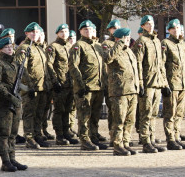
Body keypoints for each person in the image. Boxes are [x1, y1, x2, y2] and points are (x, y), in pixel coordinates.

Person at [0, 37, 28, 172]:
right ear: (0, 49)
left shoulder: (15, 64)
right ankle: (5, 161)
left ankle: (12, 158)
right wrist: (10, 97)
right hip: (3, 103)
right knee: (4, 134)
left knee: (13, 133)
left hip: (15, 102)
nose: (10, 49)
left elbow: (21, 82)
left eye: (11, 47)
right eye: (7, 47)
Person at [69, 21, 108, 151]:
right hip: (86, 87)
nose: (88, 31)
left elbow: (103, 67)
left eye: (90, 29)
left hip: (98, 86)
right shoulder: (78, 46)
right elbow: (73, 66)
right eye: (85, 29)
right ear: (80, 31)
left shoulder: (98, 46)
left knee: (95, 115)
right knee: (84, 115)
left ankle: (94, 136)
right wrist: (80, 85)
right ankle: (85, 140)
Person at [133, 15, 169, 153]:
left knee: (154, 113)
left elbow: (161, 65)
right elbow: (138, 63)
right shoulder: (141, 41)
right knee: (145, 113)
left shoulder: (156, 41)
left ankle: (152, 139)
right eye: (147, 24)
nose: (150, 26)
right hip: (147, 82)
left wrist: (164, 82)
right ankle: (145, 141)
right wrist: (140, 83)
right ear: (142, 26)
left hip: (157, 82)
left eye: (152, 23)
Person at [106, 27, 141, 156]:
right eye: (125, 38)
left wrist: (138, 86)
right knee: (119, 120)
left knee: (130, 120)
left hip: (132, 90)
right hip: (119, 91)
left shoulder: (129, 52)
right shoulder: (113, 50)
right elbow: (108, 59)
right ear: (118, 39)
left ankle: (126, 143)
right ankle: (117, 145)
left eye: (128, 38)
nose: (127, 40)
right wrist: (119, 44)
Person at [19, 23, 54, 149]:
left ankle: (38, 135)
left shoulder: (39, 48)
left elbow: (45, 68)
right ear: (26, 34)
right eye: (31, 32)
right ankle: (29, 138)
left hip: (42, 87)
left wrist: (50, 83)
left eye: (36, 32)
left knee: (39, 113)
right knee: (29, 114)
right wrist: (28, 85)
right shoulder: (24, 48)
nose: (34, 34)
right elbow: (21, 68)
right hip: (30, 88)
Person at [161, 20, 185, 150]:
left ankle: (177, 136)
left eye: (177, 28)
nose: (175, 30)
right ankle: (170, 139)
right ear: (169, 30)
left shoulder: (183, 45)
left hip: (183, 84)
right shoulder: (166, 43)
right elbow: (161, 65)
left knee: (180, 113)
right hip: (172, 84)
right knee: (170, 113)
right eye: (172, 28)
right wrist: (164, 83)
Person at [47, 23, 78, 146]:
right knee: (59, 110)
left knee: (68, 110)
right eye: (62, 32)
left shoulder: (70, 46)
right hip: (59, 84)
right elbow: (49, 64)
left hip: (70, 83)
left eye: (66, 31)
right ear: (57, 34)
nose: (64, 34)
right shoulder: (53, 47)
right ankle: (59, 135)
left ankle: (66, 132)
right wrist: (55, 81)